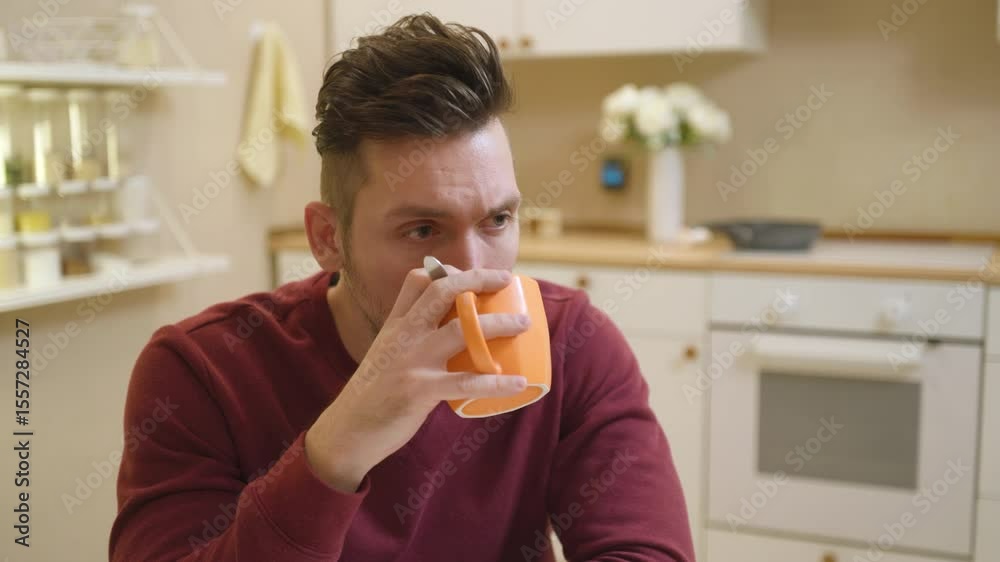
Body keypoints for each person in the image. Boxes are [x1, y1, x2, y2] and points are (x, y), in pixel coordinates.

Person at [109, 14, 694, 562]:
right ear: (328, 238)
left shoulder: (572, 342)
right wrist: (338, 447)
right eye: (422, 230)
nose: (470, 269)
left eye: (497, 220)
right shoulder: (201, 371)